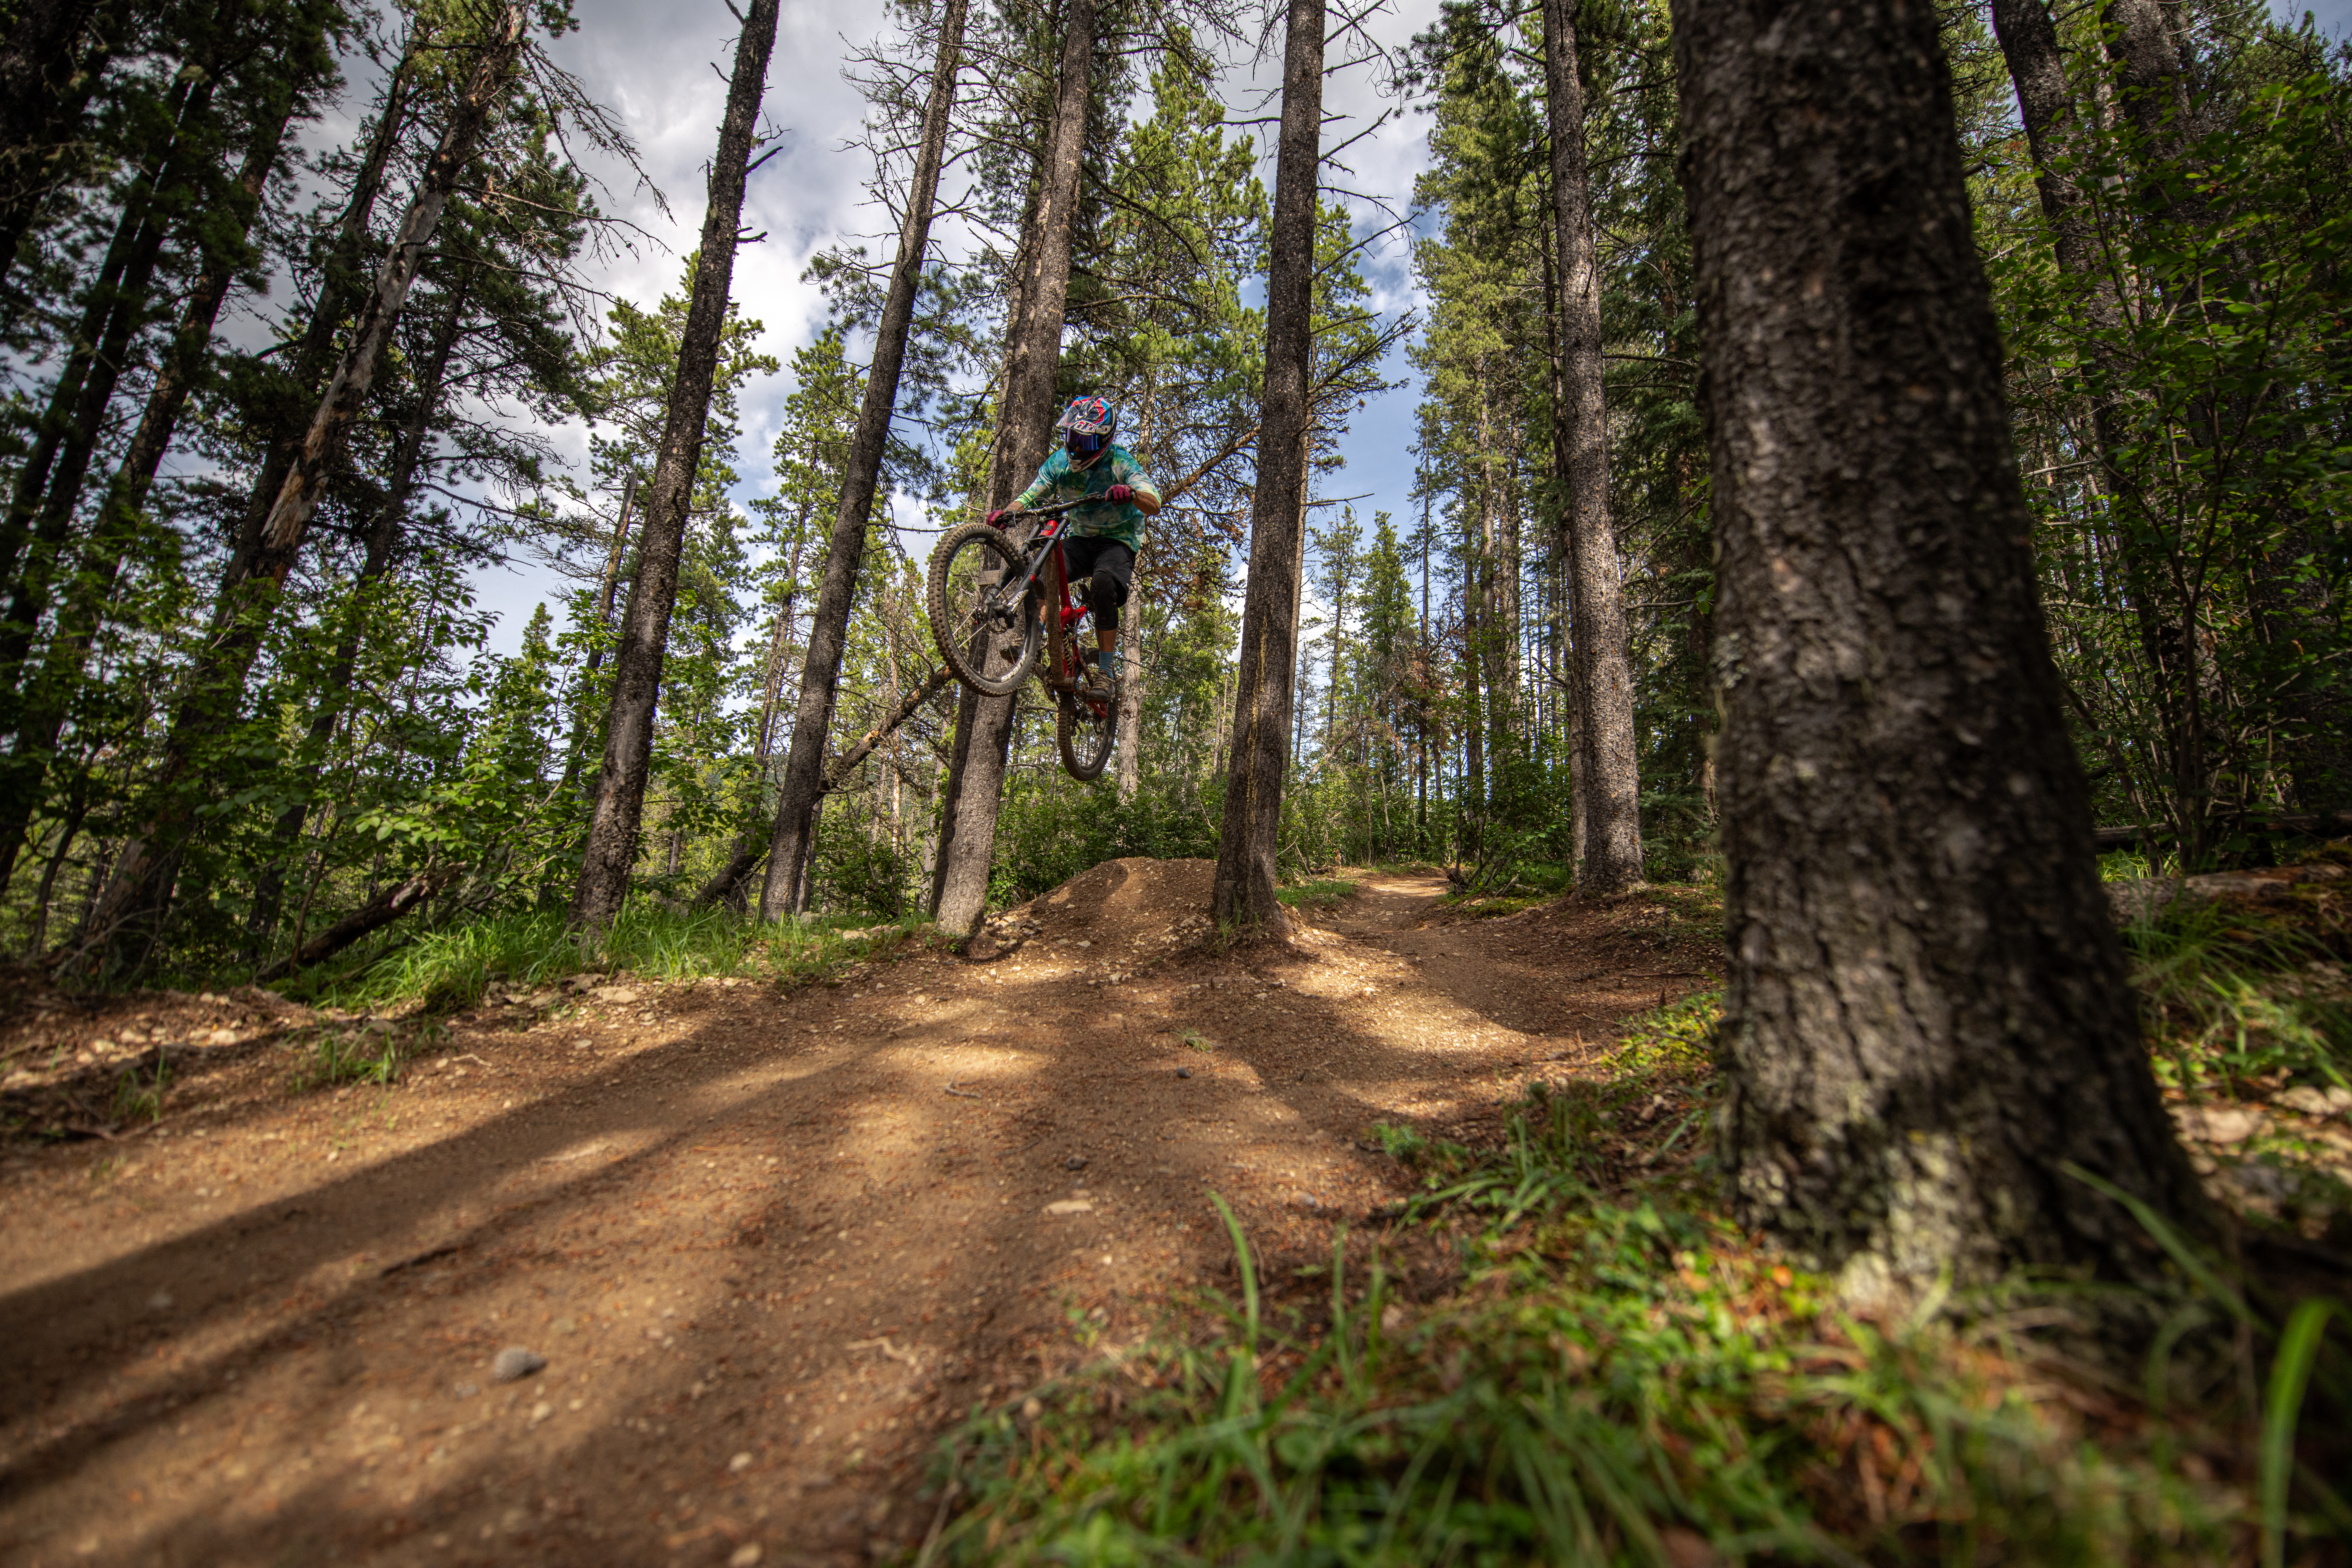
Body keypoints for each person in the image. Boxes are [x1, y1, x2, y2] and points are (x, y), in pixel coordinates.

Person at [987, 395, 1160, 690]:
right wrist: (1009, 512)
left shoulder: (1120, 461)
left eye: (1087, 442)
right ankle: (1032, 642)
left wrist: (1130, 494)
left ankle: (1105, 674)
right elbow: (1031, 494)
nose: (1078, 447)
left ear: (1104, 441)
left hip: (1118, 541)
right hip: (1080, 539)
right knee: (1040, 568)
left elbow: (1153, 502)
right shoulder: (1060, 462)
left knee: (1104, 586)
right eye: (1073, 438)